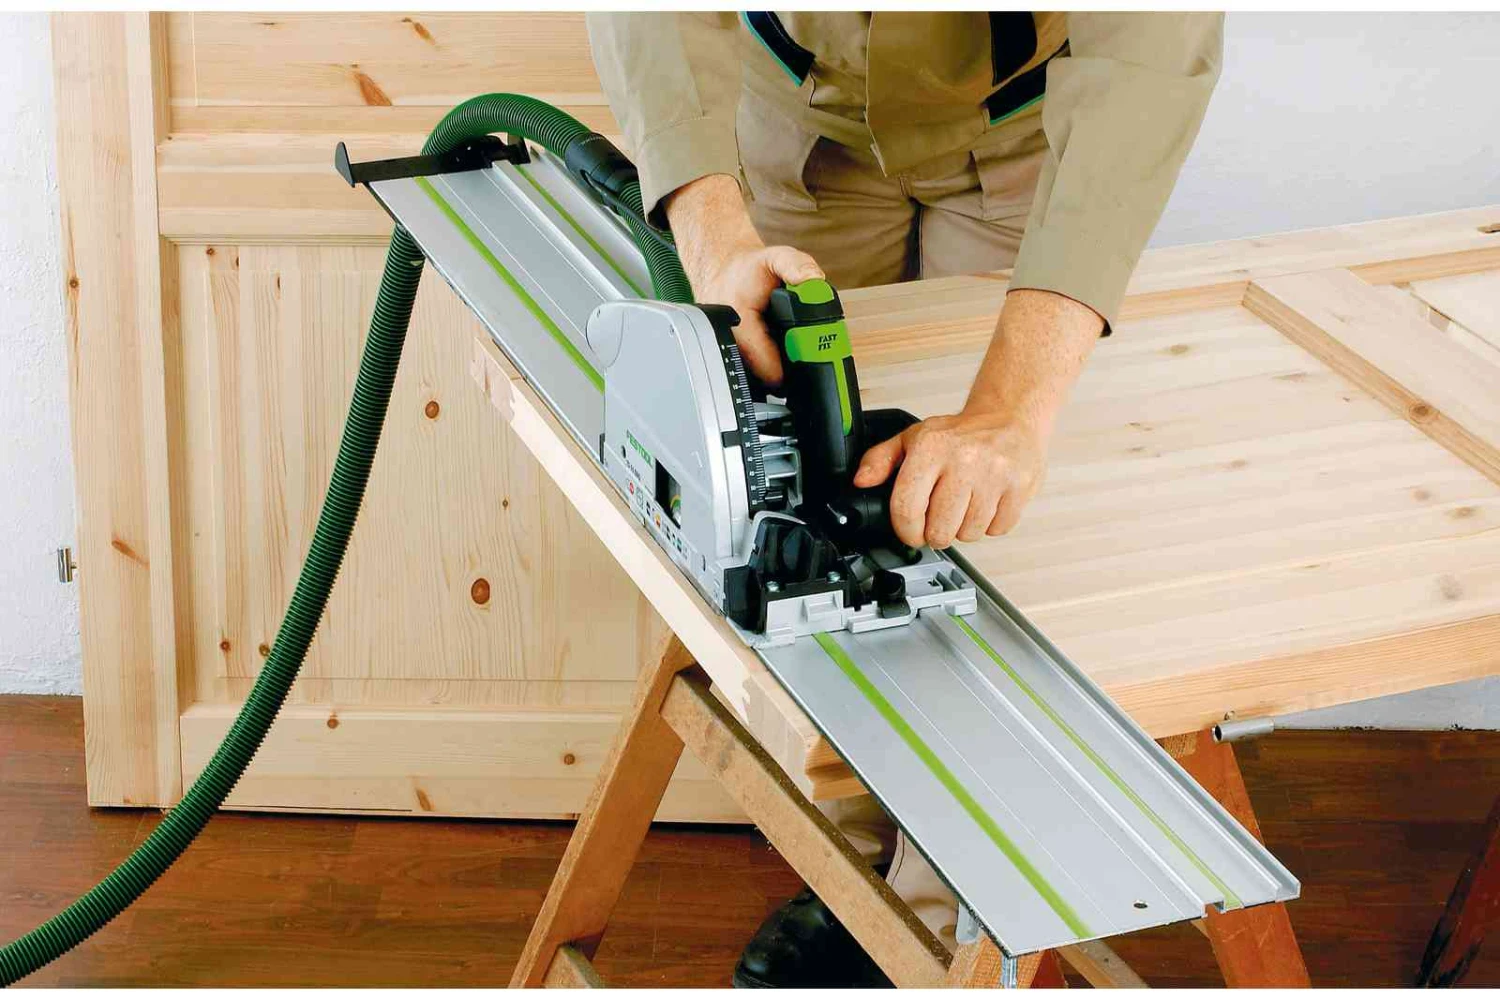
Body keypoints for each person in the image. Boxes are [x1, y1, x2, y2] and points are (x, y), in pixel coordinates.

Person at [589, 11, 1223, 988]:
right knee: (796, 491)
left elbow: (1151, 45)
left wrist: (1011, 407)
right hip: (803, 111)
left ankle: (934, 932)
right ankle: (846, 882)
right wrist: (714, 241)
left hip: (1009, 128)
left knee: (967, 521)